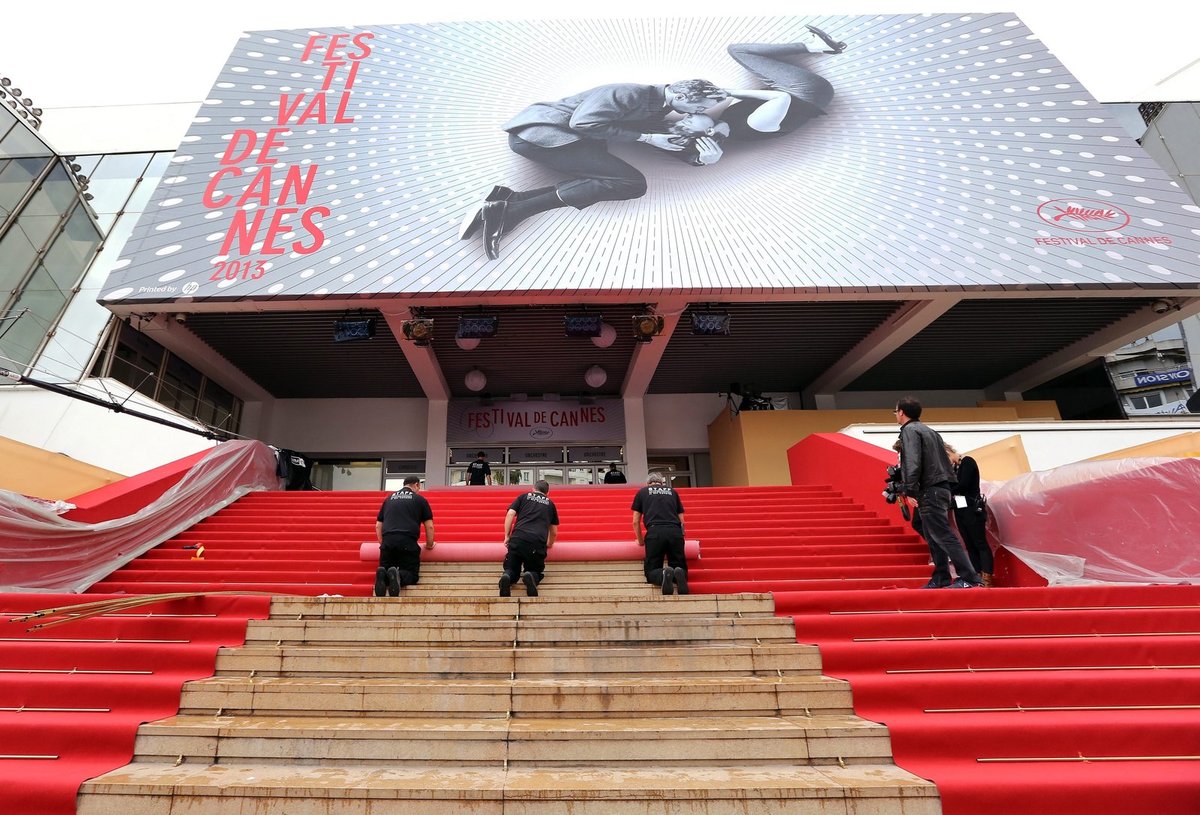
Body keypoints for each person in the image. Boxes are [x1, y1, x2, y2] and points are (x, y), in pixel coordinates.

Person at [460, 78, 728, 260]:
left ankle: (510, 203)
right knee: (631, 183)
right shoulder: (632, 93)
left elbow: (660, 138)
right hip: (542, 134)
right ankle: (511, 208)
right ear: (680, 95)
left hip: (560, 138)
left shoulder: (656, 108)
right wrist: (646, 137)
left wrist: (702, 160)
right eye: (700, 106)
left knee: (622, 181)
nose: (699, 111)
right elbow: (583, 123)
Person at [655, 26, 847, 165]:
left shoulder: (725, 121)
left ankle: (817, 46)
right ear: (709, 133)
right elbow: (781, 99)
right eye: (686, 123)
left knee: (738, 52)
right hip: (808, 91)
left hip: (788, 89)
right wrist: (729, 92)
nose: (685, 117)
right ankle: (816, 46)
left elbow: (754, 98)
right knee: (737, 50)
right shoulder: (751, 128)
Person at [895, 396, 983, 589]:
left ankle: (970, 578)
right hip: (940, 489)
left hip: (929, 490)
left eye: (896, 411)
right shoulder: (931, 432)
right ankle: (941, 577)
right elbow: (944, 463)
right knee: (933, 534)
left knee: (943, 535)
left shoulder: (910, 431)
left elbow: (914, 462)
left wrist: (909, 490)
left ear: (901, 412)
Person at [374, 475, 435, 597]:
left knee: (386, 569)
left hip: (388, 541)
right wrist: (429, 544)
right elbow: (429, 526)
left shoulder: (388, 499)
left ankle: (382, 574)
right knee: (411, 574)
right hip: (407, 541)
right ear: (417, 485)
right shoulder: (420, 500)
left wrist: (382, 543)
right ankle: (398, 575)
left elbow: (378, 525)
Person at [500, 479, 559, 597]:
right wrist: (550, 543)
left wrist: (507, 535)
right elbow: (553, 531)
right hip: (536, 543)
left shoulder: (523, 497)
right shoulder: (550, 504)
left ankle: (507, 576)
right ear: (548, 493)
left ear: (533, 489)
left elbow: (510, 514)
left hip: (518, 538)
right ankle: (531, 575)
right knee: (535, 569)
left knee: (511, 568)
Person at [632, 471, 688, 595]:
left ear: (647, 483)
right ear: (662, 483)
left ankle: (663, 574)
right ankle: (680, 576)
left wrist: (641, 541)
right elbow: (682, 520)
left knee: (652, 569)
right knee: (679, 564)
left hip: (655, 532)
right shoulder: (672, 492)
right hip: (674, 531)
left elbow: (635, 521)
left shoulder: (642, 492)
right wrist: (681, 536)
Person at [946, 443, 994, 587]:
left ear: (948, 452)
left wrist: (947, 490)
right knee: (969, 544)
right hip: (960, 508)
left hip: (972, 509)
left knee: (980, 543)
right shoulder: (955, 468)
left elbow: (964, 484)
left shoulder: (967, 461)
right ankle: (977, 576)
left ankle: (987, 577)